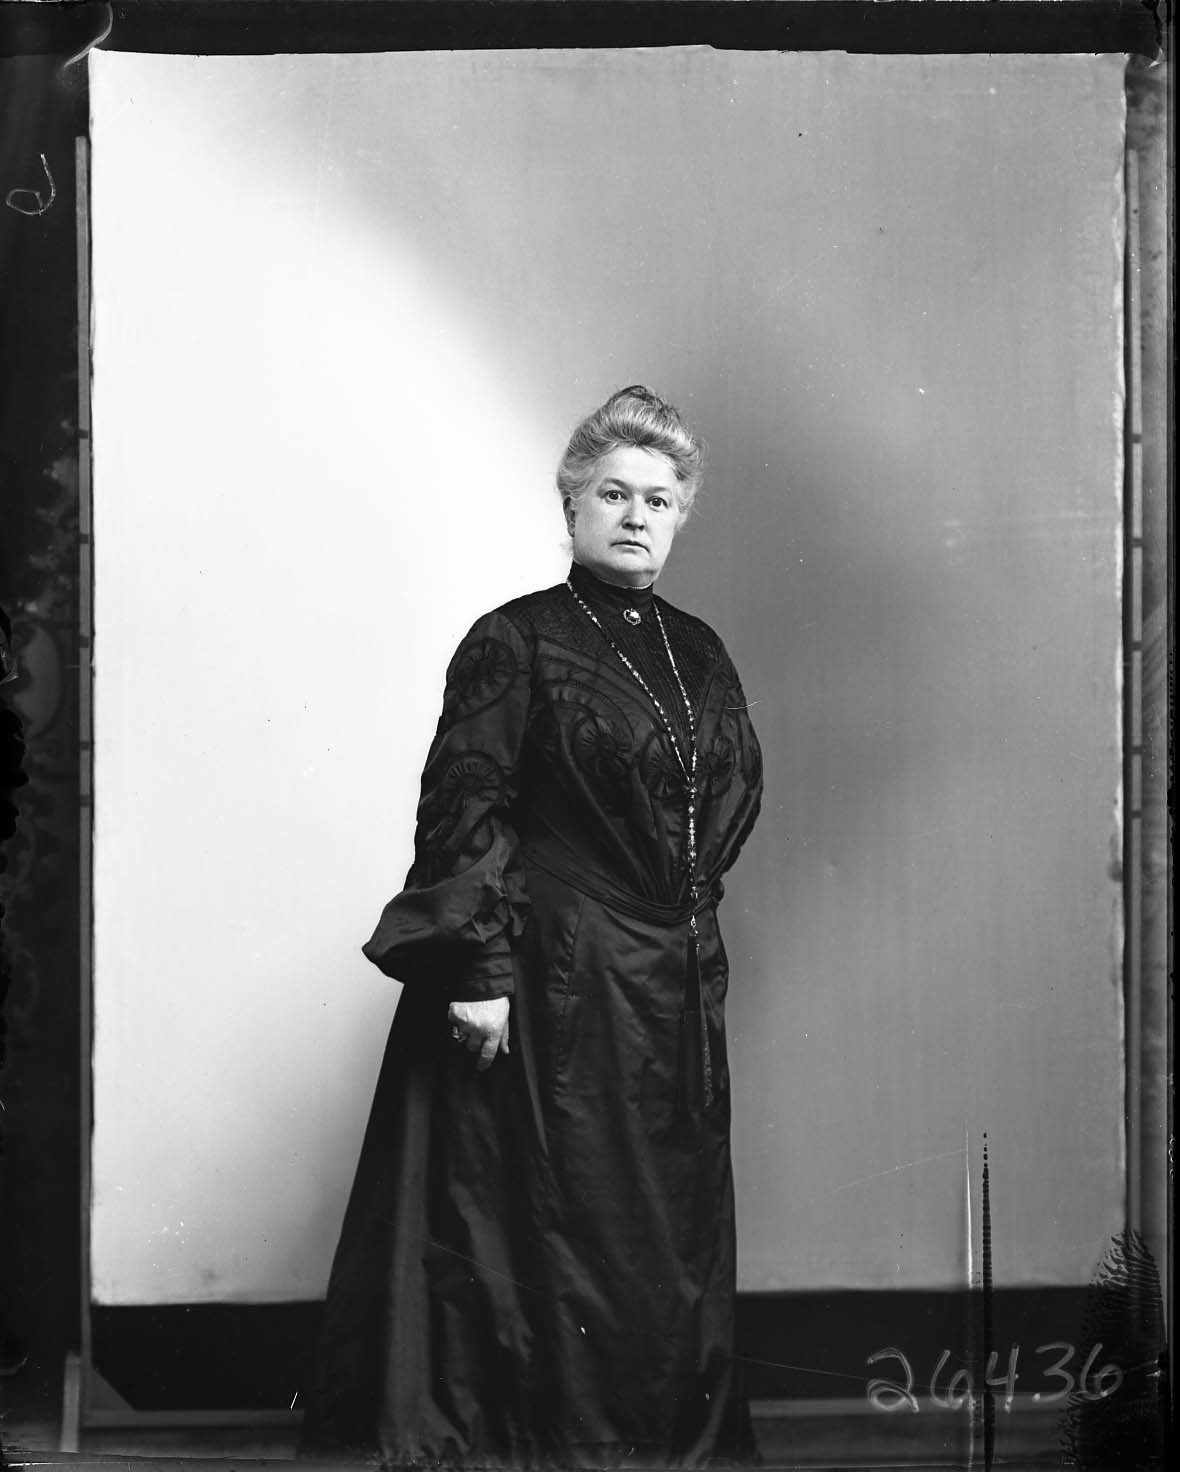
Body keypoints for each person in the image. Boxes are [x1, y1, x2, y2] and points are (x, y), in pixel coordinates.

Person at [299, 387, 764, 1468]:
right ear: (572, 506)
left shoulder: (699, 650)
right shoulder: (514, 639)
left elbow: (721, 805)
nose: (635, 515)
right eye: (613, 493)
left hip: (671, 979)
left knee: (661, 1225)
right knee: (555, 1215)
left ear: (681, 514)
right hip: (555, 976)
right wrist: (479, 968)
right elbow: (465, 804)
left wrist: (681, 912)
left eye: (658, 498)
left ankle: (648, 1443)